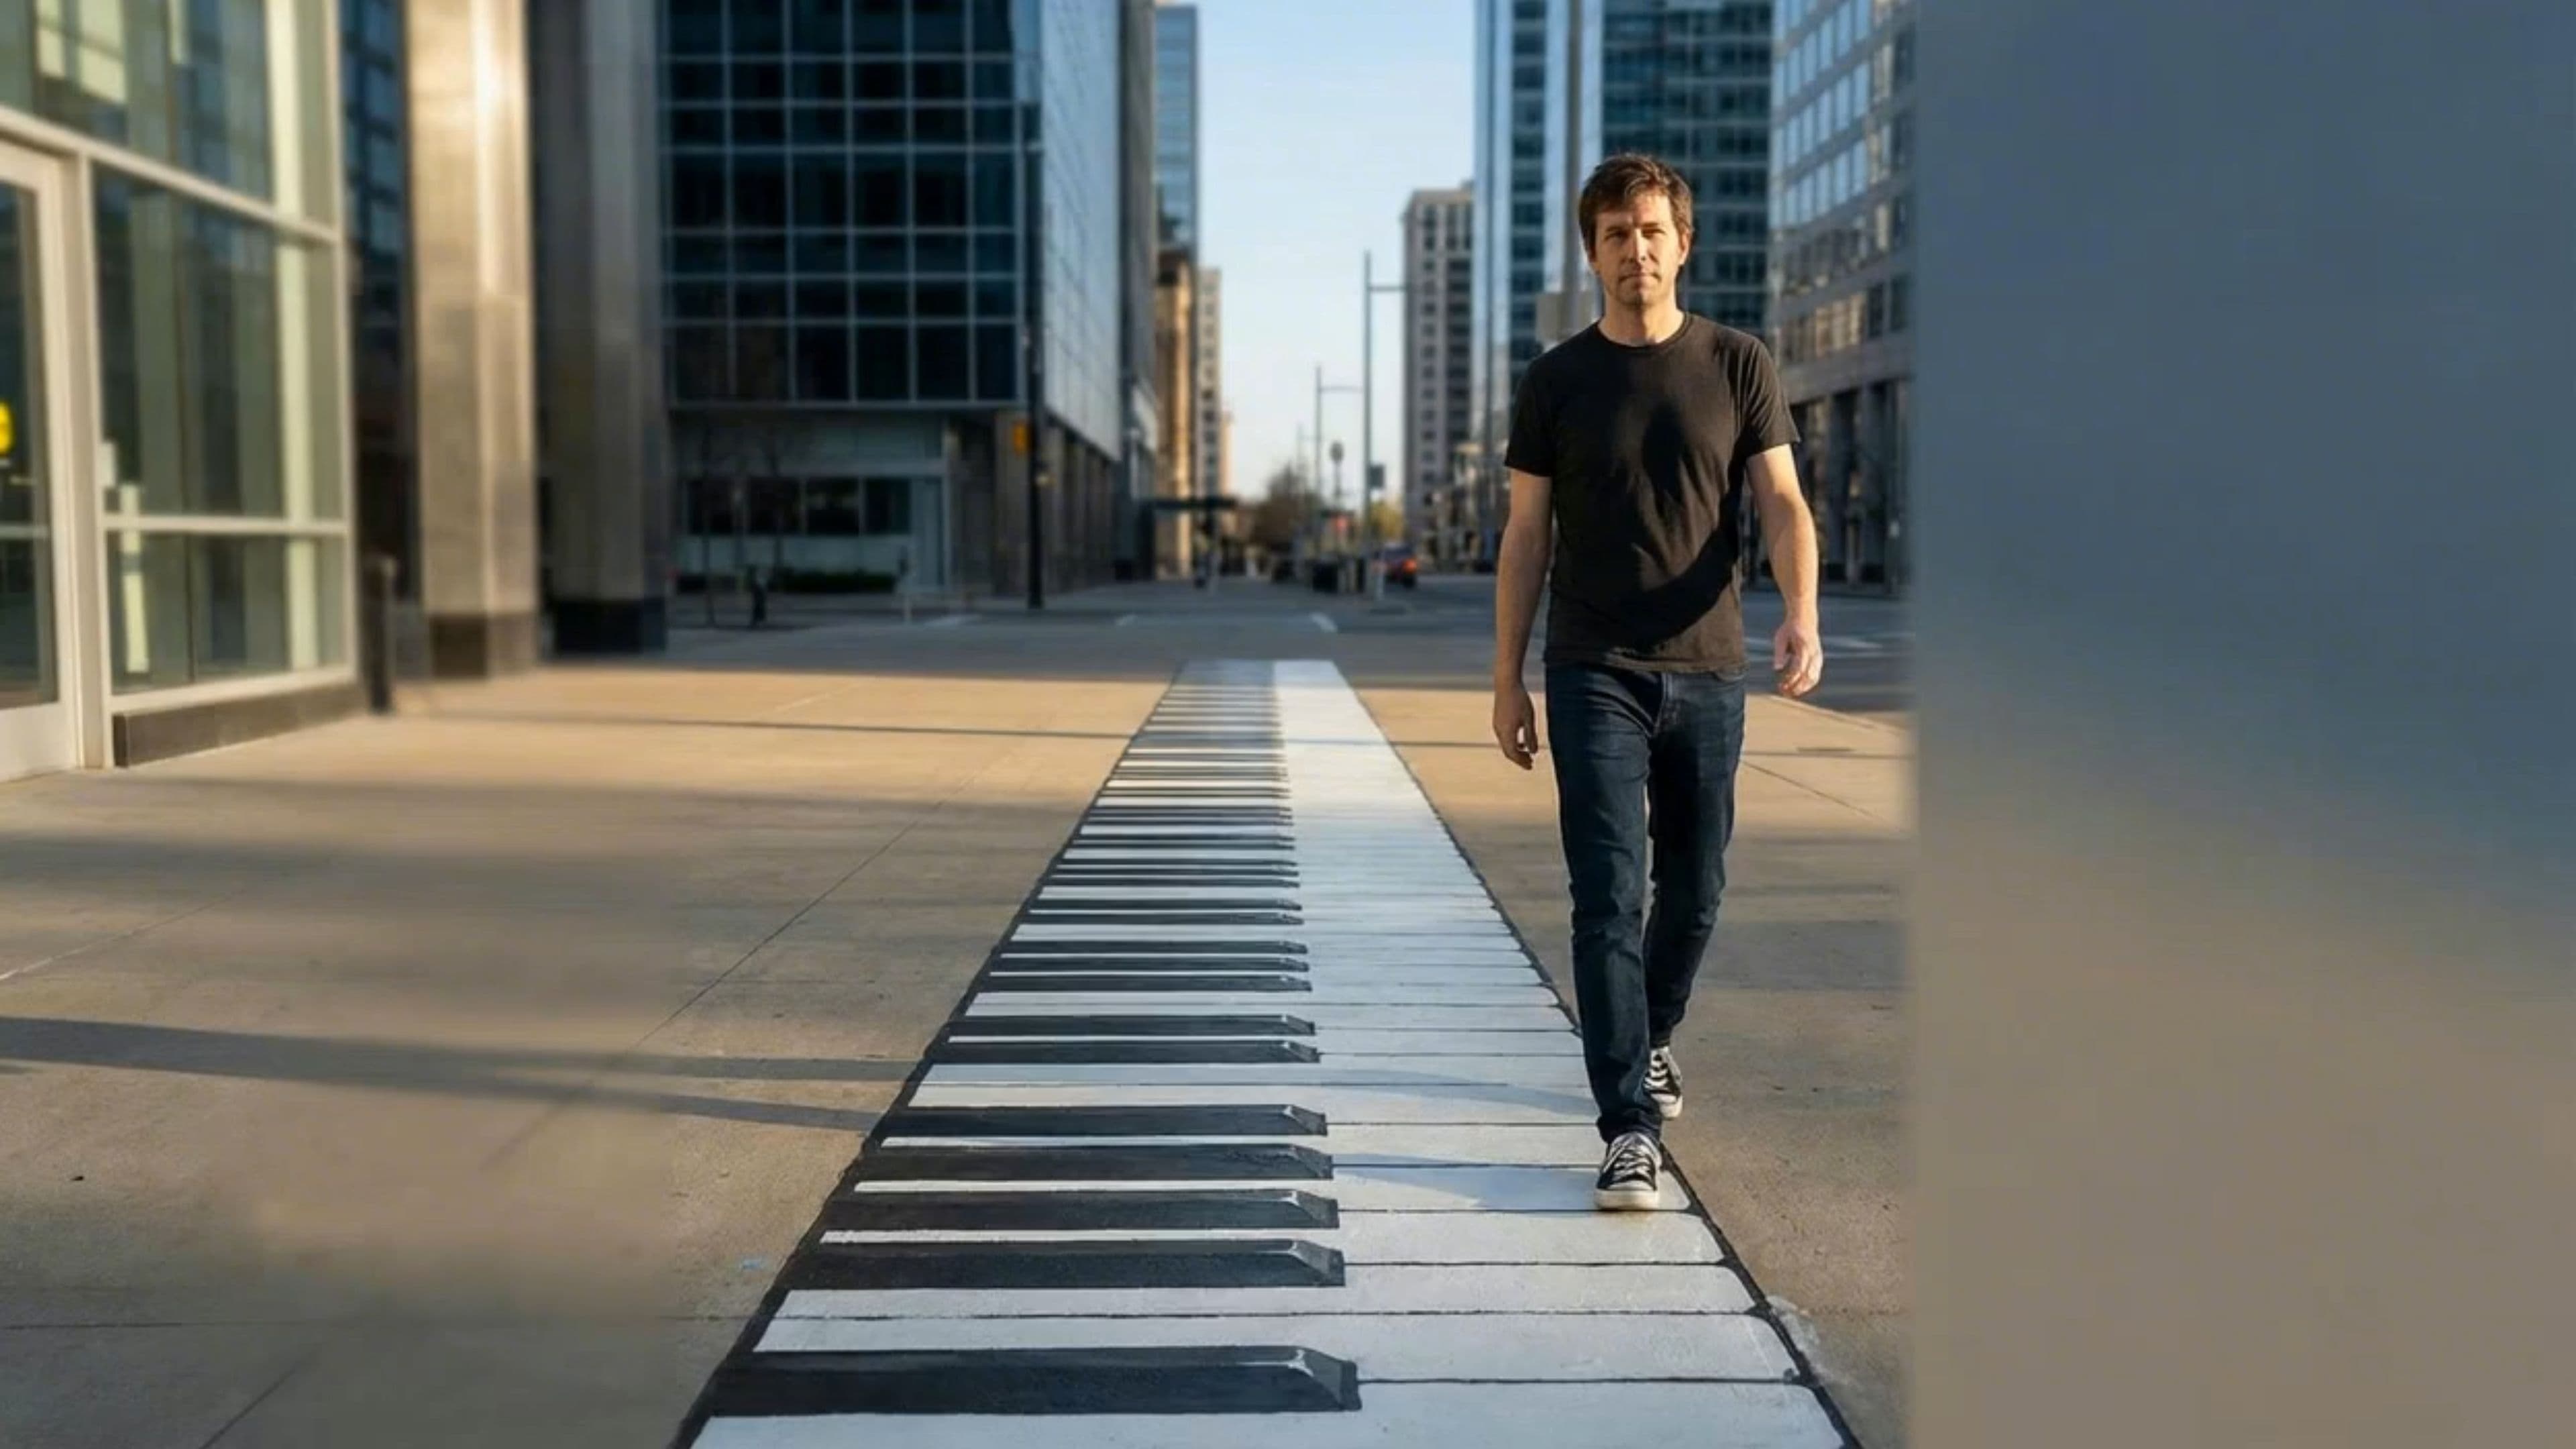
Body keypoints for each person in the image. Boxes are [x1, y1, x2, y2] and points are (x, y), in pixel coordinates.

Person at [1490, 154, 1823, 1211]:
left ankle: (1657, 1032)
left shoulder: (1738, 364)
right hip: (1592, 667)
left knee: (1698, 890)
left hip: (1711, 667)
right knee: (1606, 898)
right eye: (1614, 235)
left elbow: (1782, 504)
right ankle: (1627, 1125)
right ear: (1592, 254)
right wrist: (1507, 679)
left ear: (1682, 244)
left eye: (1650, 231)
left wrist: (1801, 613)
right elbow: (1525, 535)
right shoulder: (1556, 381)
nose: (1635, 250)